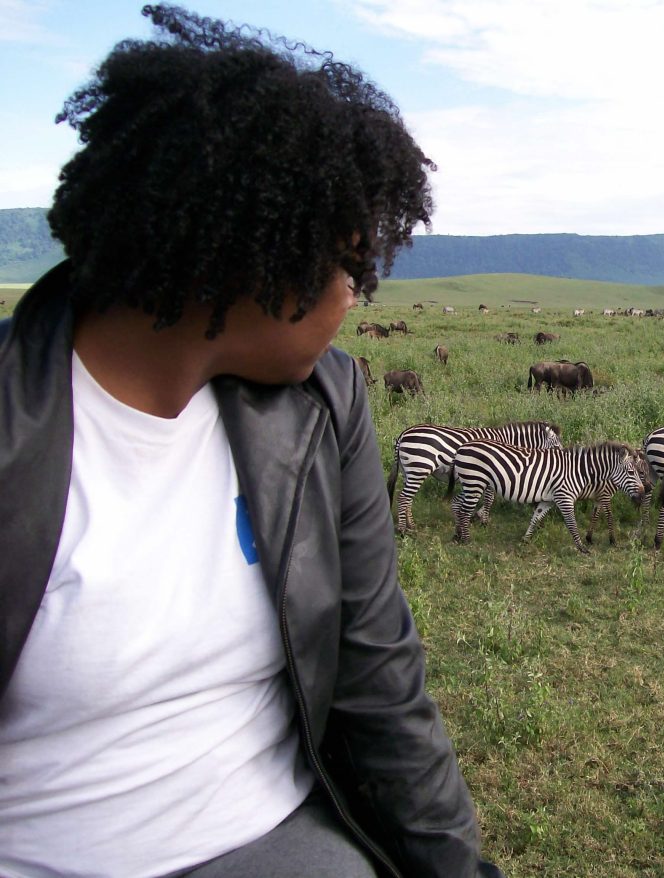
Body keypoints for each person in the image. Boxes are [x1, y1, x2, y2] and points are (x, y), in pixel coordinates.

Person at [0, 5, 502, 877]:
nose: (356, 297)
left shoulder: (325, 403)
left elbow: (378, 674)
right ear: (260, 267)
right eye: (349, 269)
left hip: (269, 842)